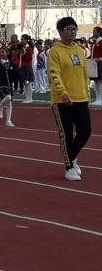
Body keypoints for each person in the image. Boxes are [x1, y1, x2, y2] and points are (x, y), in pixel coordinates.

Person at [48, 17, 91, 181]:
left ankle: (72, 157)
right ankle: (69, 167)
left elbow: (84, 73)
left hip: (81, 97)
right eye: (69, 28)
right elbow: (54, 73)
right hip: (62, 100)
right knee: (65, 134)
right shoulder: (55, 51)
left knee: (85, 131)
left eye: (74, 28)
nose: (73, 31)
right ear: (60, 31)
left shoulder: (80, 50)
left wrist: (86, 91)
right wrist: (62, 92)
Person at [90, 26, 102, 105]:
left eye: (94, 31)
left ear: (98, 32)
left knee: (100, 83)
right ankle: (97, 98)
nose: (93, 32)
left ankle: (100, 99)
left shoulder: (101, 42)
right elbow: (92, 54)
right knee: (96, 82)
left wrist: (100, 59)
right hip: (94, 64)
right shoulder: (95, 43)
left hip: (100, 64)